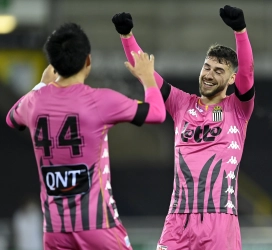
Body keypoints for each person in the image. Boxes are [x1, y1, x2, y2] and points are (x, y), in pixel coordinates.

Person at [6, 23, 166, 250]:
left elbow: (11, 118)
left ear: (53, 63)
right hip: (97, 226)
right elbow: (157, 113)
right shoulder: (100, 100)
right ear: (87, 61)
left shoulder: (34, 102)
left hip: (54, 230)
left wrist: (41, 83)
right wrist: (148, 78)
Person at [112, 5, 254, 250]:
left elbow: (248, 73)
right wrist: (127, 36)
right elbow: (146, 75)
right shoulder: (180, 103)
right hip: (177, 221)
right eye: (207, 67)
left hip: (219, 223)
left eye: (219, 71)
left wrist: (240, 31)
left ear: (231, 79)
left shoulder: (238, 109)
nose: (209, 75)